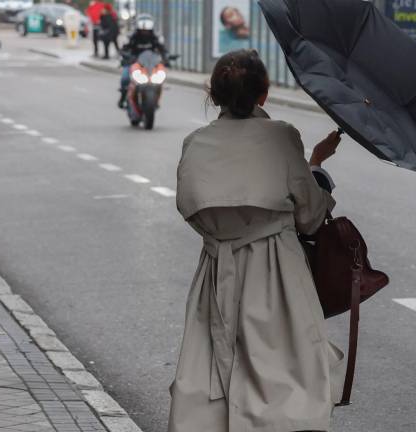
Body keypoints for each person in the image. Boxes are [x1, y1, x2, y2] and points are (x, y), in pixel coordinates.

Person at [169, 49, 345, 432]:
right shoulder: (282, 137)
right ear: (263, 94)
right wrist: (316, 166)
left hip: (217, 271)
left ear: (213, 94)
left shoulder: (194, 142)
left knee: (213, 371)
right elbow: (311, 217)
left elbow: (190, 208)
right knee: (283, 376)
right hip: (276, 273)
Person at [117, 14, 167, 108]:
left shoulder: (155, 37)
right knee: (125, 78)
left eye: (147, 25)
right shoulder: (131, 36)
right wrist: (126, 56)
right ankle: (123, 97)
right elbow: (123, 49)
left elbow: (162, 49)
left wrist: (166, 57)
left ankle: (155, 99)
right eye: (142, 25)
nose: (144, 28)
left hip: (151, 64)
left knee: (160, 77)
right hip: (134, 62)